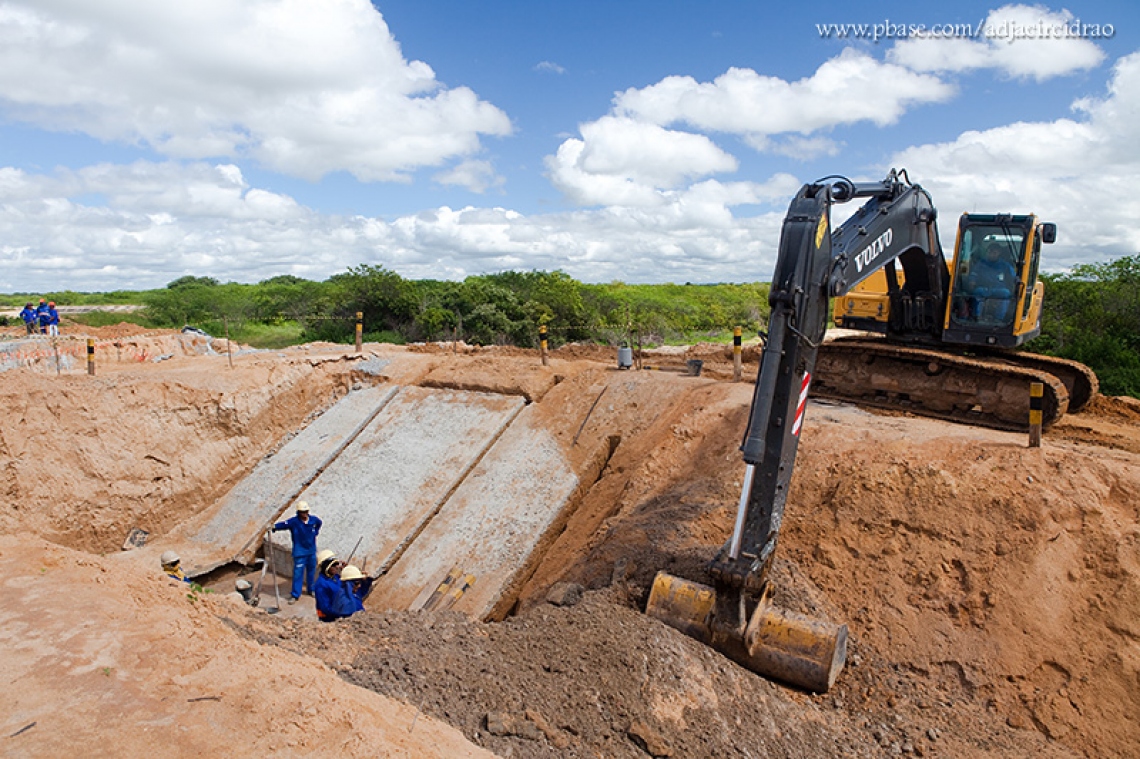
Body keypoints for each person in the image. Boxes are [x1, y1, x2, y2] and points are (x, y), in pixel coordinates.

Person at [272, 500, 322, 604]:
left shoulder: (313, 520)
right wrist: (274, 527)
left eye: (305, 512)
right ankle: (295, 594)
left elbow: (319, 523)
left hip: (311, 551)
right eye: (301, 512)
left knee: (311, 572)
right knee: (298, 574)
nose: (304, 514)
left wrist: (315, 532)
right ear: (298, 512)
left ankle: (311, 590)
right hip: (300, 553)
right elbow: (283, 524)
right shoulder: (294, 522)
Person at [967, 243, 1017, 321]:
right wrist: (972, 281)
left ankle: (998, 318)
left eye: (994, 252)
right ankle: (977, 316)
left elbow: (1013, 277)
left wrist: (1015, 282)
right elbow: (974, 274)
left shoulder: (1005, 265)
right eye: (990, 252)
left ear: (999, 253)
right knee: (977, 292)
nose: (991, 254)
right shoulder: (981, 263)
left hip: (999, 289)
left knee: (1006, 293)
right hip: (984, 288)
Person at [313, 549, 345, 622]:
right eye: (333, 565)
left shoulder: (336, 577)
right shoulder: (321, 585)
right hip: (329, 620)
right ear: (326, 567)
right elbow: (326, 608)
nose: (337, 567)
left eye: (337, 563)